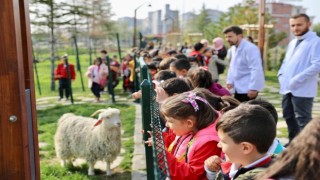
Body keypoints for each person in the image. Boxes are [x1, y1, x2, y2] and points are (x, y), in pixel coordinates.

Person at [277, 13, 320, 144]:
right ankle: (293, 144)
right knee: (289, 117)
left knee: (303, 120)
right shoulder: (293, 42)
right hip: (287, 88)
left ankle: (307, 149)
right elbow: (286, 63)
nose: (295, 28)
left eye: (299, 24)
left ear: (309, 24)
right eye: (293, 25)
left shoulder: (316, 41)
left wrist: (297, 79)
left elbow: (317, 65)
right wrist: (280, 75)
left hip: (303, 89)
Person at [160, 91, 222, 179]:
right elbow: (176, 144)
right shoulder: (194, 127)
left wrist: (162, 154)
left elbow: (190, 175)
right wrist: (159, 138)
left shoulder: (209, 143)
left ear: (189, 123)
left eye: (170, 121)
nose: (166, 125)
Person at [204, 104, 276, 180]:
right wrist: (212, 171)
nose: (219, 145)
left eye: (223, 141)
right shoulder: (237, 162)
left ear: (245, 148)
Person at [224, 26, 265, 102]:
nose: (227, 39)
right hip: (237, 87)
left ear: (239, 36)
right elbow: (232, 66)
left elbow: (256, 69)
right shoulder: (233, 48)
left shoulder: (250, 48)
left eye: (230, 36)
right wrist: (230, 81)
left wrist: (253, 88)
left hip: (248, 88)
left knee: (247, 112)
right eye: (226, 37)